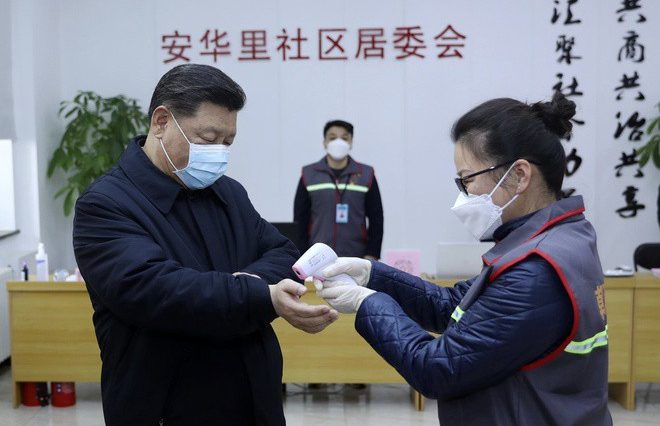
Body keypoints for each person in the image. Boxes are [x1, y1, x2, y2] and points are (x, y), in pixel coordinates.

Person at [315, 92, 612, 425]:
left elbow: (437, 368)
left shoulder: (534, 272)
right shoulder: (557, 238)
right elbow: (455, 306)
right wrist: (373, 275)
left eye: (468, 179)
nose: (464, 194)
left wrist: (367, 303)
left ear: (519, 175)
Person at [73, 64, 338, 426]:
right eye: (208, 138)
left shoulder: (227, 193)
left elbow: (282, 253)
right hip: (167, 407)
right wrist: (257, 294)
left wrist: (248, 286)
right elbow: (157, 289)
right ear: (161, 122)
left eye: (228, 142)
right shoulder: (106, 204)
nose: (219, 153)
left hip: (254, 402)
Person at [294, 120, 383, 260]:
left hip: (356, 257)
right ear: (324, 142)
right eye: (332, 138)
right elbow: (300, 220)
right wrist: (302, 254)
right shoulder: (309, 174)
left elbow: (376, 218)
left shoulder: (366, 174)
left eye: (344, 138)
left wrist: (372, 254)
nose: (338, 142)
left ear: (351, 142)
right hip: (317, 257)